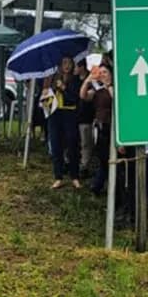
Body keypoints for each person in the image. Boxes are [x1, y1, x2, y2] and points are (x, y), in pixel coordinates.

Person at [46, 55, 82, 189]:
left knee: (72, 144)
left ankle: (75, 176)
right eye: (64, 63)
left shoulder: (76, 80)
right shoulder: (53, 78)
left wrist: (64, 88)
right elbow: (45, 95)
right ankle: (58, 177)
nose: (66, 66)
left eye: (69, 63)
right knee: (56, 146)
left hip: (70, 113)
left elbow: (74, 98)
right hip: (55, 114)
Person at [81, 62, 114, 195]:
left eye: (105, 72)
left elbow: (116, 99)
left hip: (112, 127)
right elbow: (83, 96)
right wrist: (88, 81)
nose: (102, 75)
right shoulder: (97, 90)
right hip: (100, 127)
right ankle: (98, 184)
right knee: (102, 157)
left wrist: (108, 85)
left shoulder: (113, 88)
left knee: (108, 158)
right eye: (100, 73)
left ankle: (99, 184)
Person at [75, 58, 96, 173]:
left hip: (87, 116)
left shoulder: (92, 80)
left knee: (86, 142)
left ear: (82, 67)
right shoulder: (74, 80)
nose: (74, 69)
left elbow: (87, 96)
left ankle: (85, 165)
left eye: (77, 67)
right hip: (76, 115)